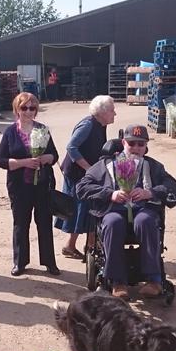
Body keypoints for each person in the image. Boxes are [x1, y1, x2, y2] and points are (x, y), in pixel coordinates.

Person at [76, 124, 176, 299]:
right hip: (113, 209)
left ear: (146, 146)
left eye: (141, 144)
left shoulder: (153, 166)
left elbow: (172, 186)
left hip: (143, 209)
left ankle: (154, 280)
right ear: (123, 142)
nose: (136, 148)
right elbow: (82, 187)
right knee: (113, 223)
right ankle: (118, 282)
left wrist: (150, 192)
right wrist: (110, 194)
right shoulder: (107, 164)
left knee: (145, 221)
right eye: (132, 143)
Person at [0, 92, 60, 277]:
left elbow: (54, 155)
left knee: (44, 222)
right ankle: (20, 262)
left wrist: (46, 158)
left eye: (32, 108)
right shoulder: (10, 132)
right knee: (21, 224)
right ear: (17, 109)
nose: (28, 111)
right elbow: (1, 160)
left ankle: (49, 262)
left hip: (42, 185)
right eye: (24, 107)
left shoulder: (42, 129)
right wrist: (25, 162)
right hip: (19, 186)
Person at [56, 95, 116, 258]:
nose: (115, 113)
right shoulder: (88, 125)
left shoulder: (100, 124)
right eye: (112, 110)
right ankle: (78, 246)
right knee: (78, 209)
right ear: (102, 112)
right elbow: (72, 147)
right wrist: (89, 168)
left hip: (86, 174)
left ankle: (89, 245)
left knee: (88, 209)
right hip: (77, 174)